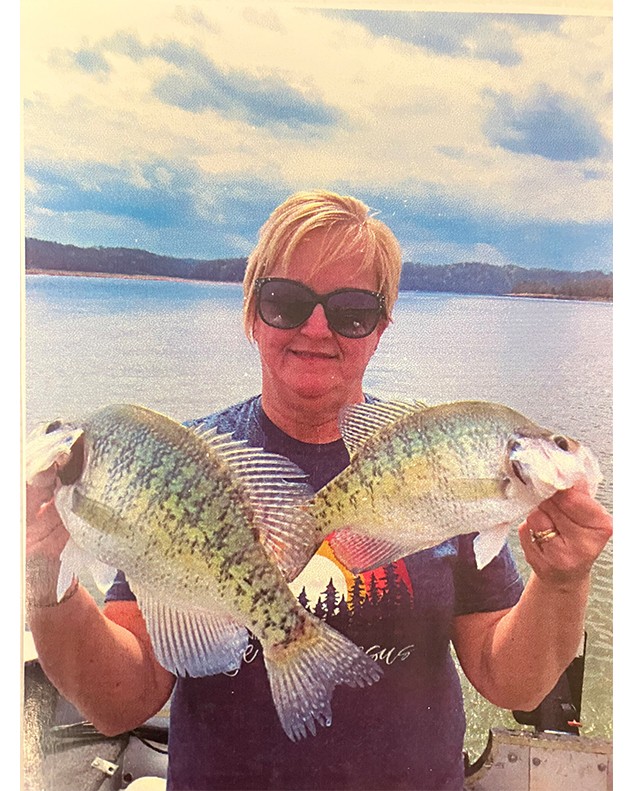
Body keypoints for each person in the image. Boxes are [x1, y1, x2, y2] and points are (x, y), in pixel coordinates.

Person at [26, 190, 613, 791]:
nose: (314, 327)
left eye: (351, 311)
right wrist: (44, 576)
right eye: (285, 302)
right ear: (252, 315)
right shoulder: (186, 467)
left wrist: (562, 580)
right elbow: (121, 703)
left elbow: (508, 679)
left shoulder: (432, 461)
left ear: (380, 329)